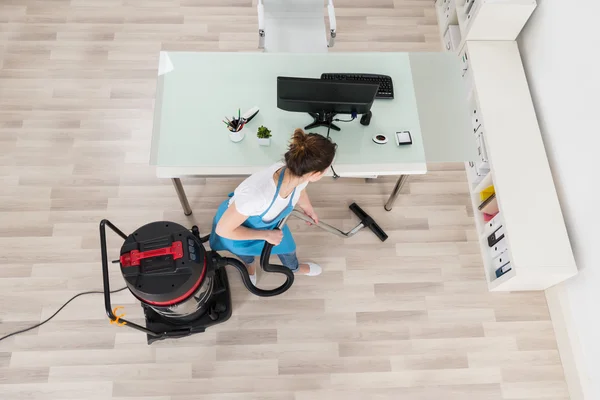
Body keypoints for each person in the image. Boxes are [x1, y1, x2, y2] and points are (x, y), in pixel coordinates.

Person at [209, 128, 336, 283]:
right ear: (315, 174)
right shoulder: (257, 196)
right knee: (246, 255)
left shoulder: (297, 172)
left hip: (271, 226)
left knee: (288, 249)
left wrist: (308, 208)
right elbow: (223, 230)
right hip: (237, 230)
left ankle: (293, 268)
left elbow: (300, 189)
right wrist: (266, 235)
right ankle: (249, 266)